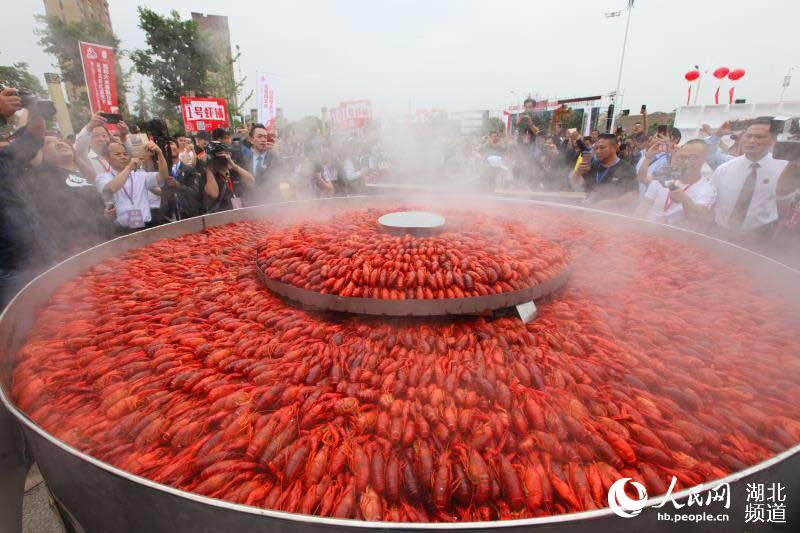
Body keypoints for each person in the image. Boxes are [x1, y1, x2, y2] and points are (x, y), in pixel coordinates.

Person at [27, 136, 114, 258]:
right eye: (49, 143)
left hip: (103, 240)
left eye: (60, 141)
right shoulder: (42, 176)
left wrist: (107, 213)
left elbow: (99, 190)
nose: (59, 144)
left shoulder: (82, 174)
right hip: (74, 249)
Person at [710, 118, 788, 247]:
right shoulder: (724, 169)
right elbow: (711, 202)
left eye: (759, 137)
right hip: (721, 235)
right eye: (748, 136)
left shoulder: (783, 170)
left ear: (773, 140)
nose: (751, 141)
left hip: (759, 239)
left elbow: (785, 210)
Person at [633, 140, 717, 229]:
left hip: (675, 239)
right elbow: (642, 209)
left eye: (694, 157)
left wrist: (685, 200)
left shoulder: (707, 189)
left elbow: (698, 222)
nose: (687, 161)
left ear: (704, 159)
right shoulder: (666, 174)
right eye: (684, 157)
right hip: (646, 232)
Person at [96, 141, 169, 232]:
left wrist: (159, 153)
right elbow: (112, 188)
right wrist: (129, 167)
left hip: (147, 226)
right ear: (107, 158)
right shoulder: (103, 177)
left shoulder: (140, 175)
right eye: (118, 154)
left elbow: (163, 176)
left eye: (125, 154)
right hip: (121, 230)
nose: (123, 157)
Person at [570, 133, 638, 208]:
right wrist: (577, 172)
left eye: (602, 148)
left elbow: (633, 195)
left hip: (610, 215)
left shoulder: (626, 168)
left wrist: (611, 203)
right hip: (588, 209)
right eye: (596, 148)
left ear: (614, 148)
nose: (598, 151)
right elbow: (574, 184)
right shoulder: (592, 165)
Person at [203, 142, 256, 213]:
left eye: (226, 153)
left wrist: (234, 165)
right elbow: (214, 194)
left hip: (239, 212)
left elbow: (251, 180)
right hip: (219, 215)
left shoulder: (234, 171)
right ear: (212, 157)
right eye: (220, 154)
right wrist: (209, 167)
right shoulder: (208, 175)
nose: (225, 156)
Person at [242, 124, 278, 202]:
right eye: (259, 136)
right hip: (250, 205)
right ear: (251, 139)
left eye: (265, 137)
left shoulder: (275, 158)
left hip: (271, 204)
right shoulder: (245, 160)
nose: (263, 140)